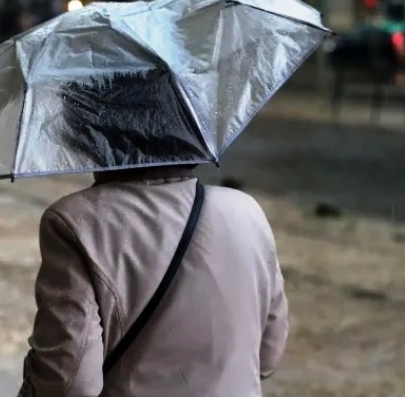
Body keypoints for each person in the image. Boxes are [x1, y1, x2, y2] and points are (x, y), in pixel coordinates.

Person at [17, 69, 289, 397]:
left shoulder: (76, 222)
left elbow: (70, 382)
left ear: (87, 130)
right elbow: (267, 356)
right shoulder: (247, 212)